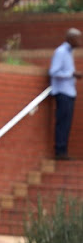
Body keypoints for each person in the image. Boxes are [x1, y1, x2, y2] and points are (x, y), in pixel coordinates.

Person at [49, 28, 82, 160]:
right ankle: (60, 150)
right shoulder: (61, 52)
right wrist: (71, 74)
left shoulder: (69, 53)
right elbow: (53, 72)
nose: (80, 41)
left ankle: (63, 150)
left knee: (67, 123)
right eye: (78, 38)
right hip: (62, 92)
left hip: (70, 92)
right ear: (70, 39)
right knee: (62, 122)